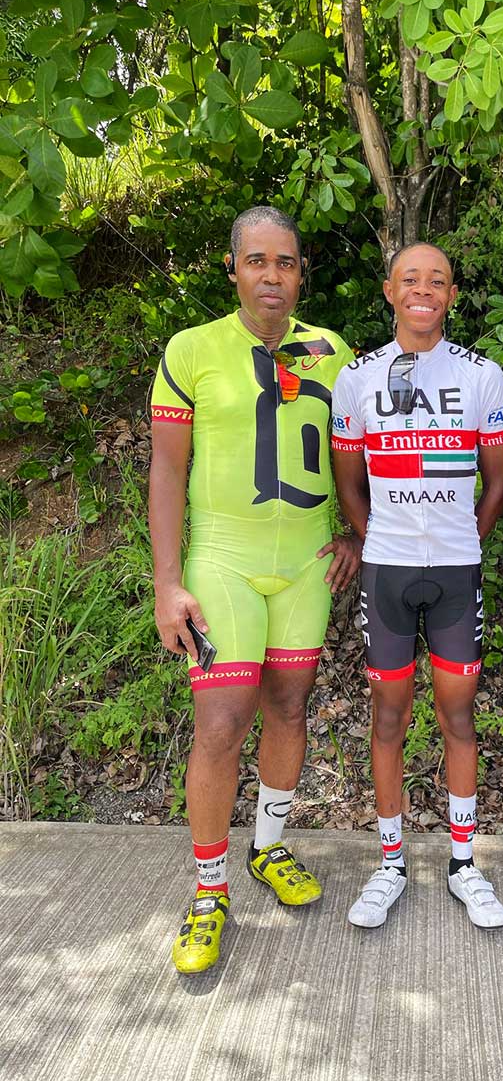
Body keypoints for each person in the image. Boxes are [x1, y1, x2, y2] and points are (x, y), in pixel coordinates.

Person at [149, 206, 360, 974]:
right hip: (224, 563)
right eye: (257, 261)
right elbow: (167, 468)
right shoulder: (192, 348)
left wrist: (357, 531)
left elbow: (356, 456)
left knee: (289, 706)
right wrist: (168, 582)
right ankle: (209, 890)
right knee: (221, 721)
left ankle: (267, 846)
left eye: (286, 262)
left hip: (306, 564)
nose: (273, 275)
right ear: (233, 267)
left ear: (301, 272)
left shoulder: (333, 352)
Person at [331, 243, 503, 929]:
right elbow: (350, 484)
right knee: (389, 718)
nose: (423, 290)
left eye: (437, 281)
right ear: (389, 290)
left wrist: (465, 540)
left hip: (457, 572)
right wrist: (381, 539)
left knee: (458, 717)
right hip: (387, 571)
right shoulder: (357, 378)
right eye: (411, 279)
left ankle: (464, 864)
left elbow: (498, 480)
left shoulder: (482, 375)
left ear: (452, 294)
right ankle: (390, 864)